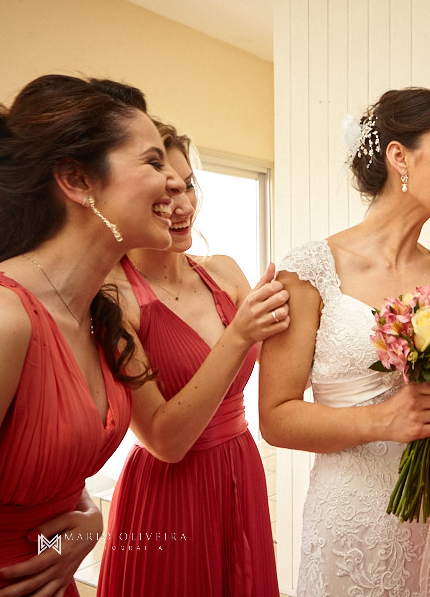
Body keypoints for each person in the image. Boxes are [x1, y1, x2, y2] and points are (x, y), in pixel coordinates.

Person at [0, 74, 183, 595]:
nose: (177, 182)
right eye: (154, 161)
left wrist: (84, 528)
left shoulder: (97, 319)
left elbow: (34, 528)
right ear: (77, 181)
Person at [257, 88, 430, 596]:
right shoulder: (308, 272)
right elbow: (275, 417)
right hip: (357, 525)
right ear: (399, 157)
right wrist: (381, 420)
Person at [96, 122, 286, 596]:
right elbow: (165, 439)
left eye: (187, 186)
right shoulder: (113, 298)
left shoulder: (224, 272)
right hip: (169, 494)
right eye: (163, 192)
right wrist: (239, 334)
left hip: (241, 471)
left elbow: (291, 361)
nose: (181, 206)